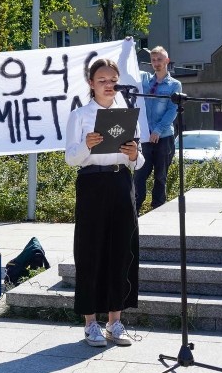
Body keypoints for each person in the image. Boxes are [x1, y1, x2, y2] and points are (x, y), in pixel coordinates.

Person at [65, 58, 144, 347]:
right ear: (91, 83)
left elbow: (138, 161)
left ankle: (115, 321)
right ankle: (90, 324)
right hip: (92, 183)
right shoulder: (81, 115)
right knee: (91, 251)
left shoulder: (126, 114)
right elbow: (70, 158)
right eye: (103, 81)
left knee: (122, 251)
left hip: (122, 182)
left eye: (113, 80)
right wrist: (86, 145)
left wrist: (135, 154)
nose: (109, 85)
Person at [134, 46, 182, 211]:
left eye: (159, 60)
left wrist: (158, 131)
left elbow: (172, 110)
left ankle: (158, 209)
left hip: (164, 137)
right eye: (153, 60)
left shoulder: (175, 85)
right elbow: (127, 70)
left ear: (167, 61)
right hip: (146, 137)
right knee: (140, 174)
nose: (156, 63)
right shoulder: (145, 81)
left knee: (160, 176)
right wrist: (128, 47)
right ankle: (135, 208)